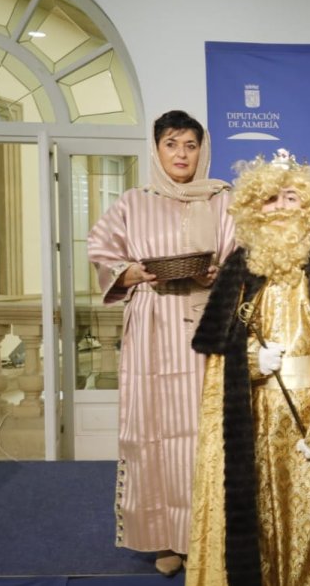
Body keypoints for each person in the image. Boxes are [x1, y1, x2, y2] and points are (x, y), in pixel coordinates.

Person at [187, 149, 310, 585]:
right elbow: (222, 355)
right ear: (254, 209)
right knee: (262, 512)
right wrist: (253, 359)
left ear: (309, 207)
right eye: (270, 200)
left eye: (291, 199)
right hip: (258, 416)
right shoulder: (239, 267)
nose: (280, 209)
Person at [87, 109, 235, 577]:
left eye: (190, 145)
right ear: (156, 150)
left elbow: (240, 256)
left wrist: (219, 275)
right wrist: (129, 272)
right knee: (156, 434)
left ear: (201, 150)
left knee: (204, 434)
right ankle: (166, 539)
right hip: (153, 330)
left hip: (206, 328)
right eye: (172, 144)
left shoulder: (222, 200)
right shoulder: (134, 201)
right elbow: (102, 250)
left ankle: (207, 535)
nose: (181, 155)